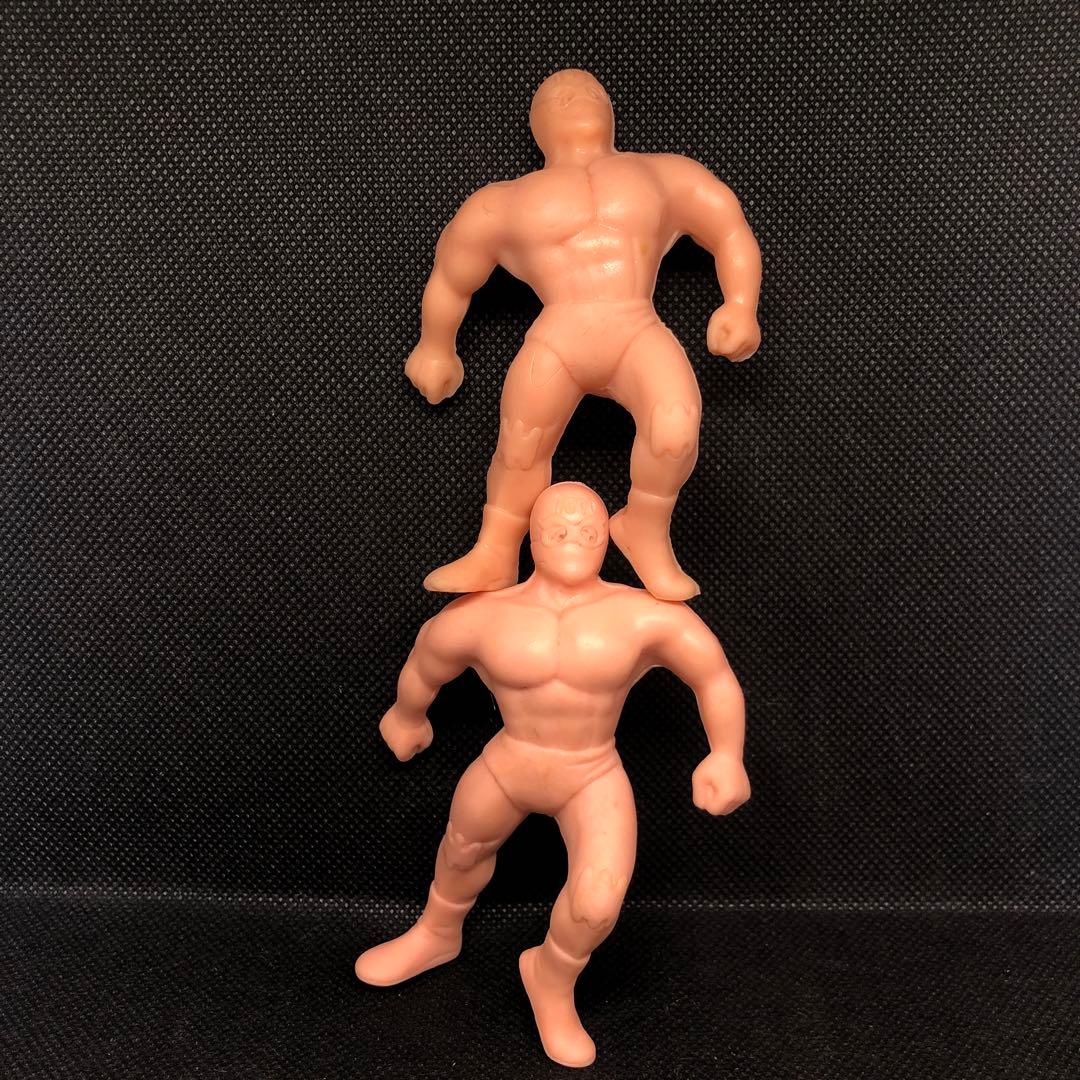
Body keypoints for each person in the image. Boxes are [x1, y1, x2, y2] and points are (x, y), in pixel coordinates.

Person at [356, 482, 750, 1068]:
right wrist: (407, 714)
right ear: (532, 538)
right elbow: (428, 659)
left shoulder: (640, 615)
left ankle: (550, 976)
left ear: (607, 539)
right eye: (558, 530)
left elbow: (712, 674)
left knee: (598, 901)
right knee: (462, 847)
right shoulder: (486, 614)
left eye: (588, 531)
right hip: (510, 761)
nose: (573, 539)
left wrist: (726, 754)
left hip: (591, 772)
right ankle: (437, 933)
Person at [406, 68, 761, 601]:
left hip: (636, 326)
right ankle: (495, 550)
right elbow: (452, 279)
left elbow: (729, 228)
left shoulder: (660, 174)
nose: (577, 99)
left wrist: (741, 305)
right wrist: (435, 346)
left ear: (611, 108)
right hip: (559, 336)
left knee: (676, 428)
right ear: (536, 123)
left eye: (590, 90)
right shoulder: (504, 200)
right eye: (560, 95)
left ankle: (644, 526)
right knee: (520, 445)